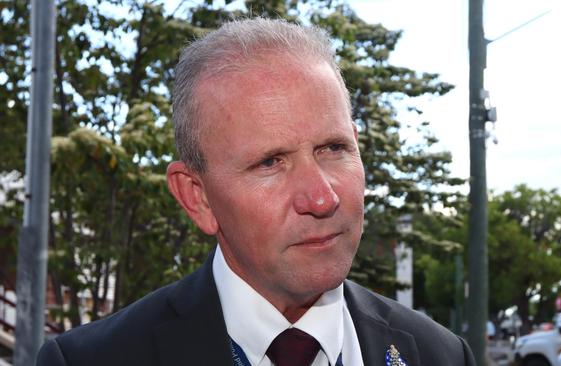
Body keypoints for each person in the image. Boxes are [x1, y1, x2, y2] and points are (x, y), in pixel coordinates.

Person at [36, 18, 475, 366]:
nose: (322, 199)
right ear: (198, 198)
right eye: (270, 163)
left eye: (334, 148)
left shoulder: (439, 355)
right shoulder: (91, 360)